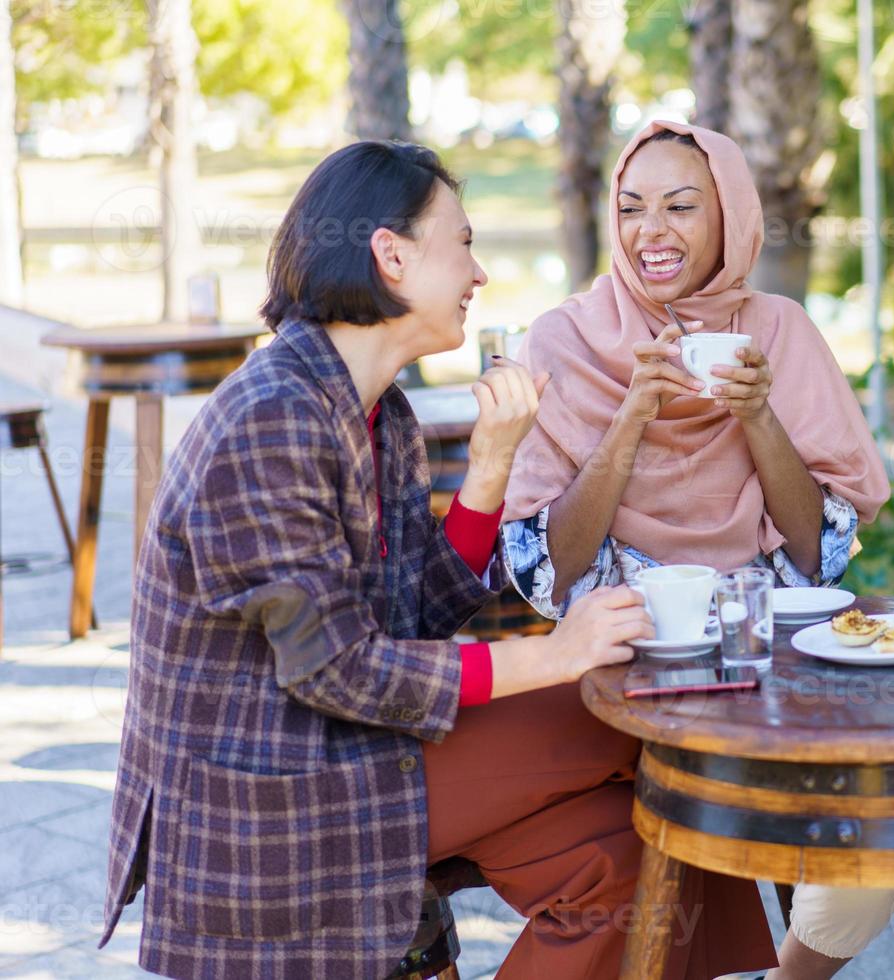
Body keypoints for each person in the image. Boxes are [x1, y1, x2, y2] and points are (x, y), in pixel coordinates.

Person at [98, 139, 776, 979]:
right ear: (391, 255)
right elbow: (335, 668)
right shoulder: (273, 417)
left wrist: (491, 466)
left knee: (627, 860)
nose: (480, 272)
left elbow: (412, 614)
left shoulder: (377, 409)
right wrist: (552, 655)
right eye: (461, 243)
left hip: (351, 740)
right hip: (273, 790)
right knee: (625, 710)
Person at [500, 120, 894, 979]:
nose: (654, 231)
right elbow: (551, 569)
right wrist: (631, 417)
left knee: (883, 798)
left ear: (731, 218)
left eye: (683, 206)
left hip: (766, 653)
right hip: (625, 662)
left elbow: (816, 553)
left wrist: (756, 415)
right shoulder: (564, 339)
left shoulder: (780, 331)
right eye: (633, 207)